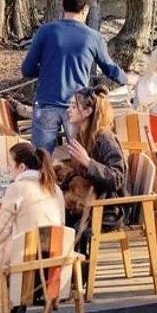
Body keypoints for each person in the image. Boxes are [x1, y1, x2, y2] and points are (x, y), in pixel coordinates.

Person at [21, 0, 129, 154]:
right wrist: (126, 79)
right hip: (77, 107)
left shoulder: (45, 31)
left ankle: (42, 179)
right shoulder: (93, 37)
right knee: (80, 158)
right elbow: (109, 68)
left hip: (45, 103)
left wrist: (46, 71)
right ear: (85, 9)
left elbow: (27, 69)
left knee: (41, 160)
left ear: (63, 7)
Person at [65, 85, 128, 256]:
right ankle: (61, 272)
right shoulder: (81, 134)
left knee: (78, 230)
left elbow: (118, 178)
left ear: (87, 111)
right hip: (86, 202)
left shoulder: (105, 138)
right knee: (56, 217)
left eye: (73, 106)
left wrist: (88, 162)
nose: (68, 110)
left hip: (108, 208)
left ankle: (80, 276)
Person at [0, 143, 65, 267]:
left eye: (10, 165)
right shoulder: (55, 189)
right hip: (53, 257)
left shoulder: (16, 188)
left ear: (21, 167)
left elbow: (1, 232)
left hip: (23, 260)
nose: (8, 169)